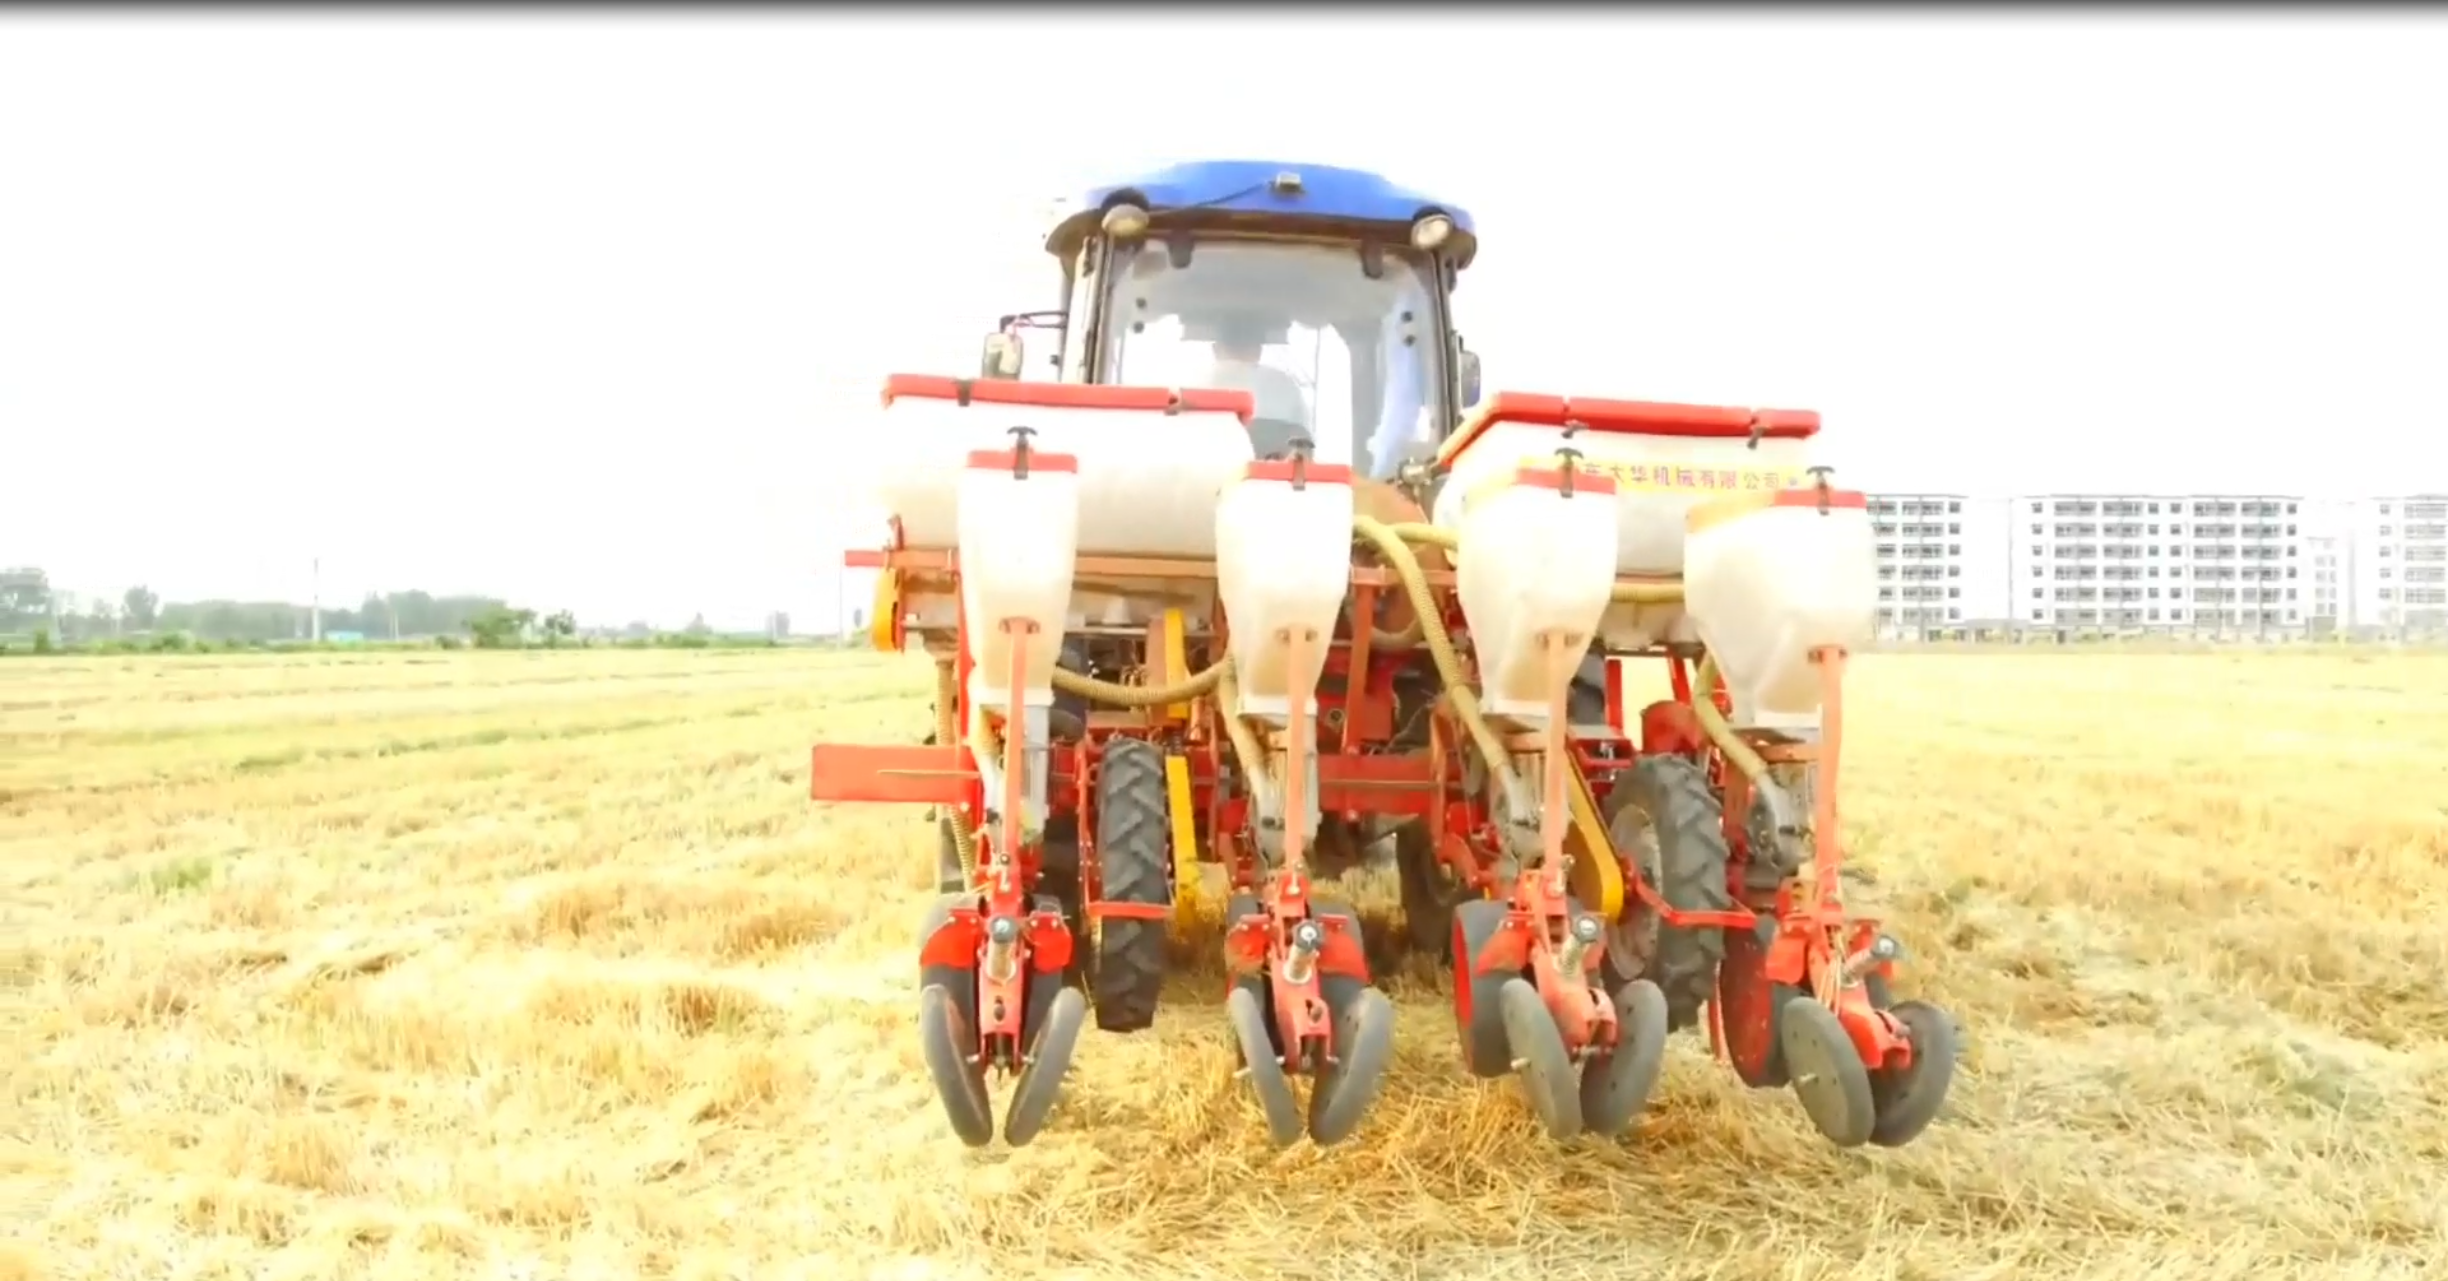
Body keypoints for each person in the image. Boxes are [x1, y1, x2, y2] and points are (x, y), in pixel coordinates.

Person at [1198, 320, 1312, 458]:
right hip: (1272, 477)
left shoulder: (1192, 383)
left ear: (1215, 350)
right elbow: (1304, 451)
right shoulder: (1284, 386)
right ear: (1259, 351)